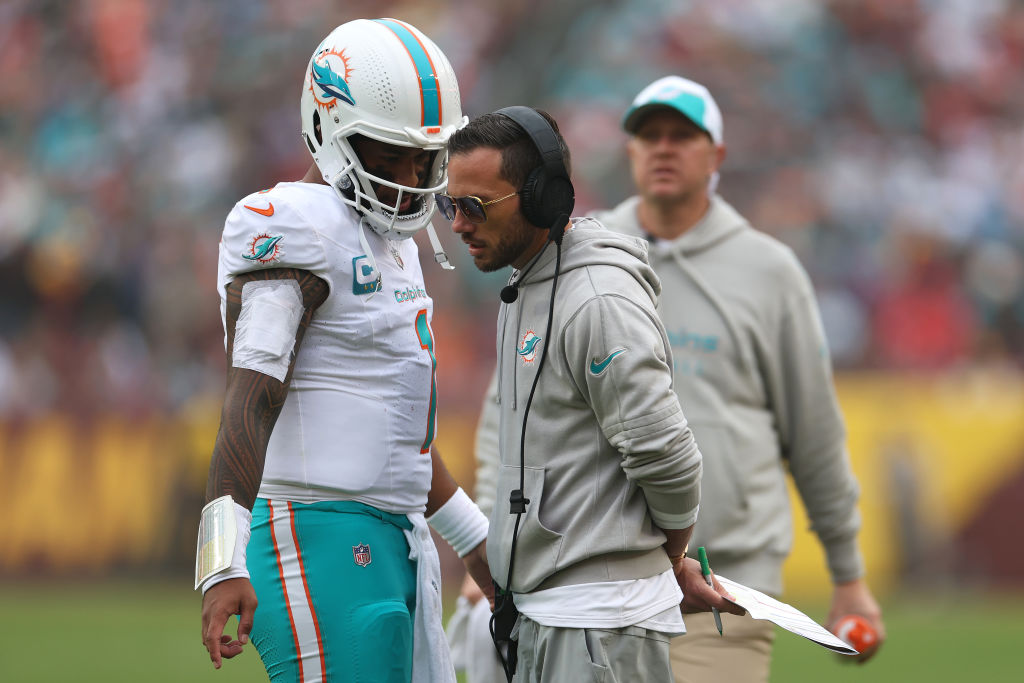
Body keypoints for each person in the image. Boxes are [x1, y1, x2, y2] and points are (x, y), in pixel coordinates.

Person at [195, 18, 494, 683]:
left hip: (395, 539)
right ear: (329, 128)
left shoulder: (395, 243)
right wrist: (221, 559)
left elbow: (399, 437)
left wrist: (476, 542)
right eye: (392, 153)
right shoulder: (292, 223)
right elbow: (251, 397)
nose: (413, 175)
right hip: (313, 533)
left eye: (426, 156)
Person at [589, 75, 887, 681]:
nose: (664, 148)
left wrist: (849, 576)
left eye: (682, 136)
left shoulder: (770, 271)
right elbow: (513, 409)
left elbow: (814, 435)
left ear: (717, 155)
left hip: (726, 588)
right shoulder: (583, 255)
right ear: (631, 152)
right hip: (598, 583)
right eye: (649, 136)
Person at [439, 106, 743, 683]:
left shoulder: (598, 300)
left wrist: (670, 558)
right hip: (550, 619)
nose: (458, 224)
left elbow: (667, 456)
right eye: (450, 205)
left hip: (599, 630)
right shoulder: (523, 285)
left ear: (542, 199)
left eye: (475, 206)